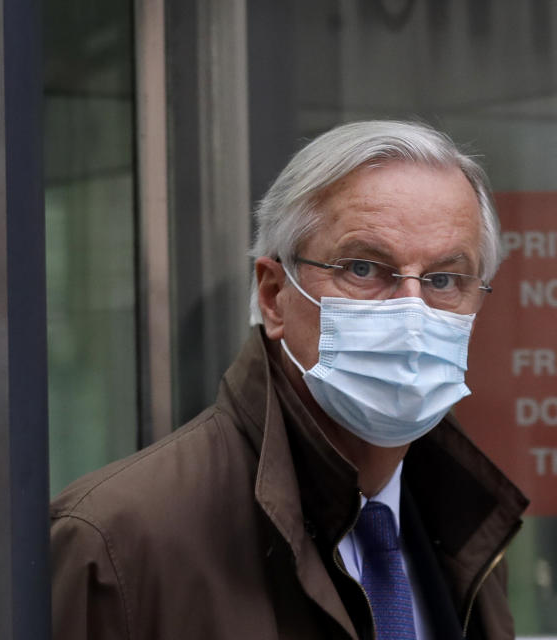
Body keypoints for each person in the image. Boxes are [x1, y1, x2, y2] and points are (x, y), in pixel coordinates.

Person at [50, 121, 529, 640]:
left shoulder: (466, 529)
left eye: (442, 280)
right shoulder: (118, 547)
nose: (411, 313)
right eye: (364, 268)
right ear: (274, 295)